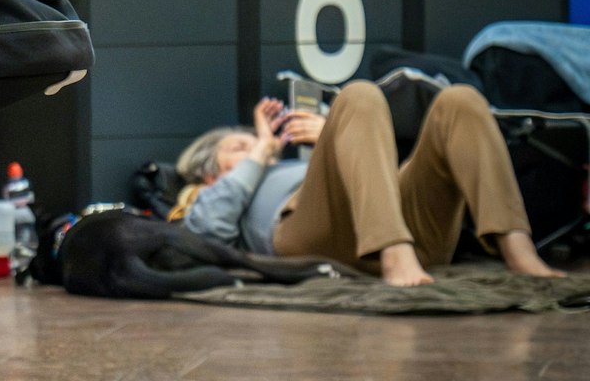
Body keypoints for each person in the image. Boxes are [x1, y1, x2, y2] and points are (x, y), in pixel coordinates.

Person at [176, 83, 561, 287]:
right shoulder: (206, 196)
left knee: (460, 101)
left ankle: (518, 248)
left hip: (399, 224)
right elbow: (209, 232)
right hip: (312, 236)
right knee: (358, 94)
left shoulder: (291, 167)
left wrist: (332, 134)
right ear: (209, 172)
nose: (256, 147)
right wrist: (261, 148)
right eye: (238, 148)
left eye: (252, 143)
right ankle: (393, 253)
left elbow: (376, 181)